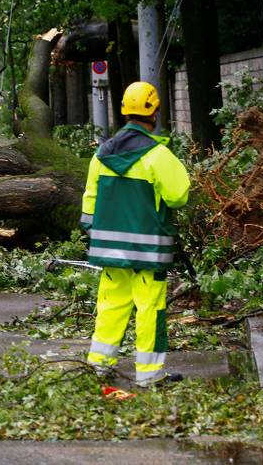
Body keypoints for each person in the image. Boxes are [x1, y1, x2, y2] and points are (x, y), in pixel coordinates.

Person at [81, 81, 190, 387]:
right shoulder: (157, 155)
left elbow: (89, 204)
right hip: (148, 254)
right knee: (149, 311)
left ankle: (98, 368)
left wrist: (99, 235)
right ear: (154, 111)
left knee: (111, 307)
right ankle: (149, 376)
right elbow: (179, 195)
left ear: (124, 110)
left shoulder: (101, 155)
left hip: (111, 252)